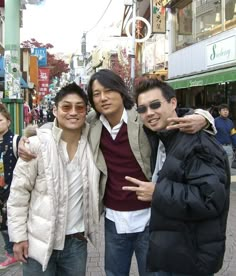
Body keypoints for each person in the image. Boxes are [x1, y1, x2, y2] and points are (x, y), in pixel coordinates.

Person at [18, 70, 215, 276]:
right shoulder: (92, 123)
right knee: (114, 273)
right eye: (96, 94)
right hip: (114, 220)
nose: (103, 98)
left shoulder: (141, 117)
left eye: (109, 90)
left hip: (150, 218)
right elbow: (65, 121)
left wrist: (204, 117)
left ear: (121, 91)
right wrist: (27, 140)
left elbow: (170, 114)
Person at [123, 79, 230, 276]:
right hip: (173, 253)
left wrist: (157, 192)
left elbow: (211, 199)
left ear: (173, 103)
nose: (149, 113)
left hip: (191, 259)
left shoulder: (198, 142)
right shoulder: (161, 136)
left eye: (155, 105)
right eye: (142, 109)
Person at [7, 83, 100, 276]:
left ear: (86, 111)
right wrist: (18, 238)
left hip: (76, 243)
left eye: (79, 107)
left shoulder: (94, 143)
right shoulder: (36, 145)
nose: (73, 112)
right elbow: (18, 194)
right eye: (66, 107)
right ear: (55, 110)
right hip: (38, 242)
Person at [0, 103, 20, 269]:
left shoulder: (16, 141)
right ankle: (10, 253)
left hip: (12, 193)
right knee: (2, 226)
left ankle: (16, 252)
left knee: (12, 225)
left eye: (0, 120)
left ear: (8, 122)